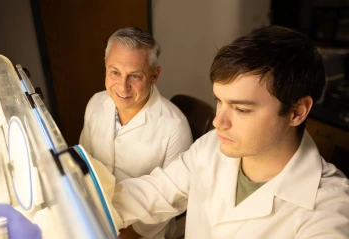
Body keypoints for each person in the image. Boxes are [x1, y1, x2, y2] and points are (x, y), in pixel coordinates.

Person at [110, 26, 349, 238]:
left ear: (297, 111)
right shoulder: (213, 145)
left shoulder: (329, 208)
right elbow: (155, 191)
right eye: (220, 102)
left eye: (242, 109)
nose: (218, 122)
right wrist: (84, 201)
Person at [79, 27, 193, 238]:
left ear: (154, 75)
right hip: (96, 217)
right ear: (105, 67)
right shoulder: (96, 103)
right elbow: (85, 162)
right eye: (115, 72)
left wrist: (131, 233)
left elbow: (177, 198)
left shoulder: (175, 126)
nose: (123, 87)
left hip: (142, 232)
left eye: (135, 76)